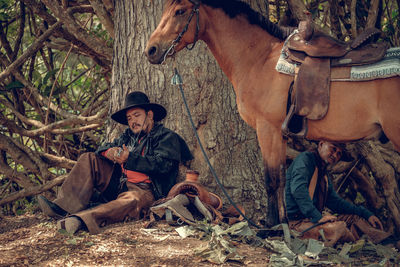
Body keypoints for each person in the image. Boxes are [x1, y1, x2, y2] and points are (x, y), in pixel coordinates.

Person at [37, 91, 193, 234]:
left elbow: (163, 165)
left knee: (132, 200)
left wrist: (129, 159)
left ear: (150, 115)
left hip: (146, 192)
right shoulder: (128, 135)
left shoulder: (166, 136)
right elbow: (104, 148)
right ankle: (63, 207)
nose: (133, 121)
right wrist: (109, 152)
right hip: (119, 184)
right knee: (89, 158)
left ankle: (81, 220)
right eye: (129, 118)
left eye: (137, 115)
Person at [285, 141, 392, 247]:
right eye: (334, 149)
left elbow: (336, 203)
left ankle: (387, 242)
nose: (335, 155)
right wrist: (318, 217)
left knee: (356, 219)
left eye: (339, 153)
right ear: (321, 144)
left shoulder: (323, 172)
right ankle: (353, 242)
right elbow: (298, 191)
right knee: (338, 228)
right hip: (299, 224)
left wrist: (366, 214)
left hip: (315, 221)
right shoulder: (305, 160)